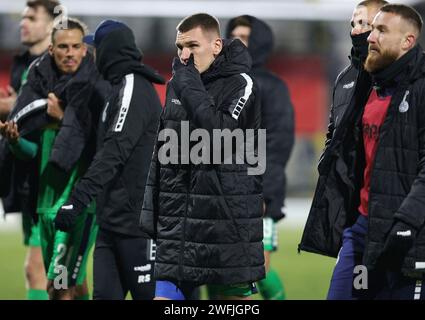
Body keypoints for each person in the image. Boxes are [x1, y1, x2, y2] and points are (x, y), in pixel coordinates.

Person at [300, 3, 425, 300]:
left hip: (410, 234)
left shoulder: (420, 89)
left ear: (408, 40)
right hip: (363, 230)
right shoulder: (364, 85)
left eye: (380, 30)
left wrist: (408, 220)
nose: (369, 36)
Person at [139, 13, 264, 300]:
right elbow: (163, 153)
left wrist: (186, 84)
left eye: (192, 46)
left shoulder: (241, 85)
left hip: (224, 229)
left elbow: (218, 135)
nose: (184, 56)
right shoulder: (177, 85)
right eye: (179, 47)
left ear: (216, 46)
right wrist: (152, 213)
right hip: (177, 228)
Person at [54, 20, 165, 300]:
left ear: (109, 51)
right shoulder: (117, 89)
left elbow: (114, 151)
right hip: (112, 222)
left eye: (96, 48)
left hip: (136, 227)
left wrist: (78, 199)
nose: (92, 55)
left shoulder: (132, 88)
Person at [0, 18, 104, 300]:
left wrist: (66, 121)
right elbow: (32, 153)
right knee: (74, 286)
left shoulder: (95, 96)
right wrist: (15, 141)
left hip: (77, 207)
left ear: (85, 50)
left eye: (75, 46)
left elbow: (103, 149)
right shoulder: (39, 100)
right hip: (45, 205)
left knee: (57, 288)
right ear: (51, 51)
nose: (69, 52)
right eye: (63, 47)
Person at [226, 15, 295, 300]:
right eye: (233, 36)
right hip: (219, 194)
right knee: (223, 275)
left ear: (259, 42)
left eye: (244, 37)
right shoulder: (216, 83)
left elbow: (277, 144)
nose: (237, 42)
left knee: (254, 272)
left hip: (257, 193)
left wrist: (263, 191)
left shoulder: (272, 87)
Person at [0, 0, 60, 300]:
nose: (23, 23)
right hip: (28, 177)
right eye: (23, 17)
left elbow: (30, 108)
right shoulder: (24, 64)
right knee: (52, 275)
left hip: (51, 180)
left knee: (40, 271)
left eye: (31, 17)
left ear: (51, 24)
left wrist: (11, 107)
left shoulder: (59, 65)